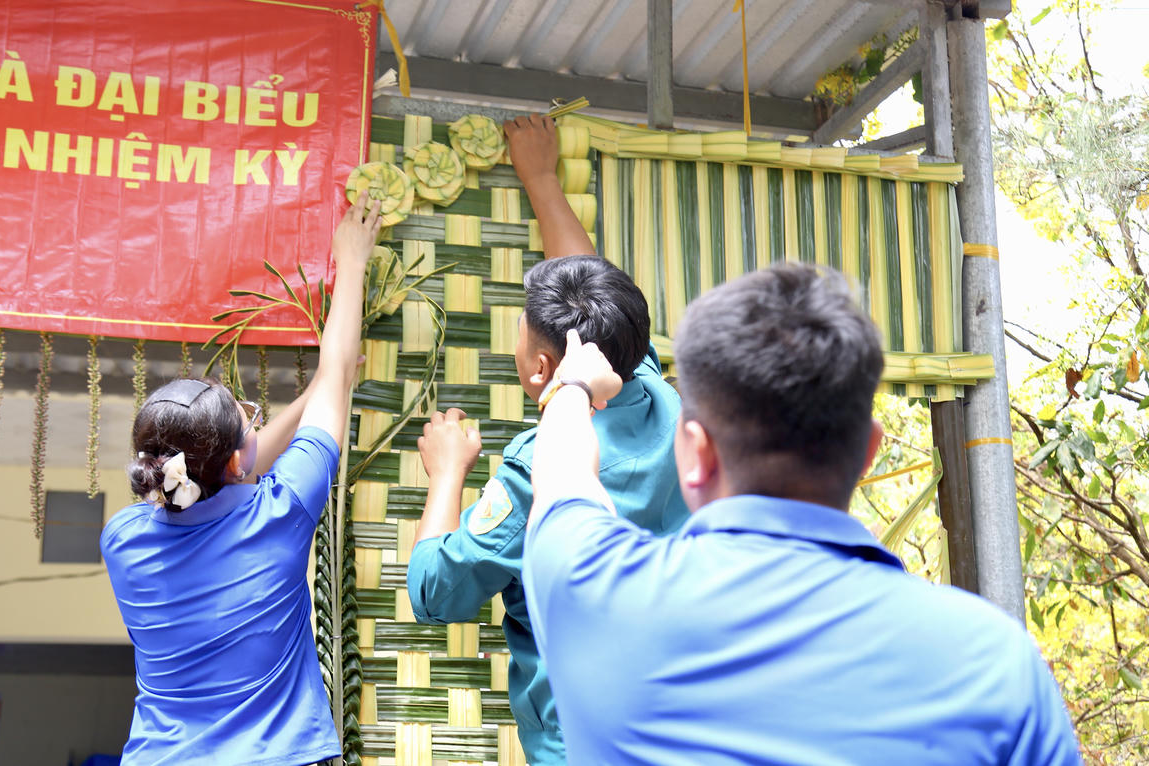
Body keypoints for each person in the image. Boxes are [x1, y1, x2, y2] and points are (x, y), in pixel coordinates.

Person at [523, 265, 1084, 765]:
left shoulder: (597, 593)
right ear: (868, 452)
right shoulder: (995, 661)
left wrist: (572, 386)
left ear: (695, 450)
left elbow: (563, 478)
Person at [404, 115, 690, 764]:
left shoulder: (538, 472)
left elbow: (434, 591)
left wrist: (448, 472)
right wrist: (541, 180)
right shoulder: (657, 395)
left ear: (540, 369)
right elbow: (584, 273)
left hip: (582, 741)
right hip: (677, 719)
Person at [101, 193, 381, 765]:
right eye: (248, 417)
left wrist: (311, 397)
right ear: (234, 462)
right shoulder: (283, 513)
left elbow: (229, 471)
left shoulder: (124, 540)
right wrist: (351, 260)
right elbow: (339, 369)